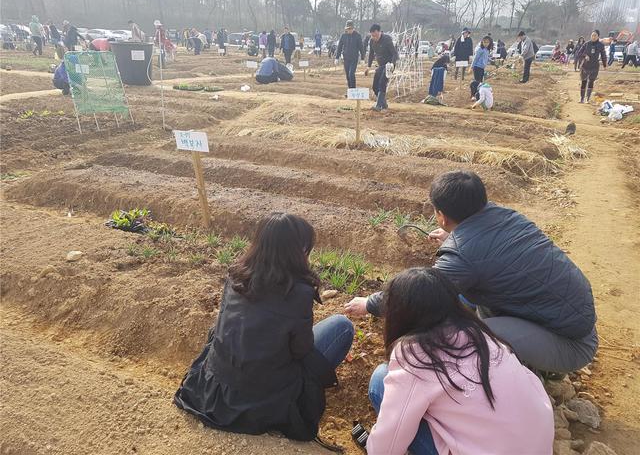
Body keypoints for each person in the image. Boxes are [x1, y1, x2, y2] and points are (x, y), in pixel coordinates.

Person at [345, 170, 597, 375]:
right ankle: (531, 361)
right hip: (566, 316)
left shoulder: (463, 257)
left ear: (442, 216)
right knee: (467, 301)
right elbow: (484, 246)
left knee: (464, 340)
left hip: (571, 343)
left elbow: (415, 294)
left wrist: (368, 303)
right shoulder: (505, 215)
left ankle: (524, 379)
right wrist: (455, 237)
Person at [174, 213, 354, 442]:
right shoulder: (298, 293)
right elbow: (300, 350)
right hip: (261, 397)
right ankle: (300, 397)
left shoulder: (236, 276)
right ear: (295, 250)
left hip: (216, 388)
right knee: (341, 326)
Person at [365, 267, 554, 455]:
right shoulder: (481, 335)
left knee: (380, 380)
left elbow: (385, 450)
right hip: (540, 445)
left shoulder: (416, 357)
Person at [364, 24, 399, 112]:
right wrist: (368, 66)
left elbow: (395, 54)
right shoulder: (372, 41)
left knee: (382, 83)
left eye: (375, 35)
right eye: (372, 35)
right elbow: (371, 54)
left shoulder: (387, 39)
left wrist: (392, 64)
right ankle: (384, 104)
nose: (374, 37)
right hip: (381, 65)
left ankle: (379, 106)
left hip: (389, 65)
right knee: (375, 86)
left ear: (379, 32)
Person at [575, 29, 607, 104]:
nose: (593, 37)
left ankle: (587, 98)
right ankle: (581, 98)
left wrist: (605, 65)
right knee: (584, 81)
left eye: (595, 35)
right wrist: (585, 55)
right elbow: (579, 53)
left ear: (598, 36)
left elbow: (603, 55)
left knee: (591, 81)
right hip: (585, 65)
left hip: (594, 66)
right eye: (592, 35)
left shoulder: (600, 45)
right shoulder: (586, 44)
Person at [335, 20, 365, 90]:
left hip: (354, 59)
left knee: (351, 74)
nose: (349, 30)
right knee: (347, 76)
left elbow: (361, 47)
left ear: (353, 28)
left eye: (351, 29)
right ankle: (350, 90)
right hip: (346, 59)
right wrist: (337, 57)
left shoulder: (357, 36)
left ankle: (353, 90)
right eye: (348, 29)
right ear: (346, 29)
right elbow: (339, 47)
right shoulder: (343, 36)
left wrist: (362, 58)